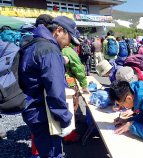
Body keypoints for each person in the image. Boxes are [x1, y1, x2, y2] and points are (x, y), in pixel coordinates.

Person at [19, 16, 80, 158]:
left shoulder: (36, 43)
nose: (69, 44)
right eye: (70, 39)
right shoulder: (50, 49)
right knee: (53, 153)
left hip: (32, 108)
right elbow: (55, 90)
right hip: (43, 113)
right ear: (59, 31)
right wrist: (65, 120)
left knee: (44, 150)